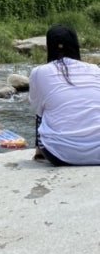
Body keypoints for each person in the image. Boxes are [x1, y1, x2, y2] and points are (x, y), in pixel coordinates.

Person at [29, 24, 100, 166]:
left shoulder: (39, 72)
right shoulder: (95, 70)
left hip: (58, 154)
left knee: (42, 110)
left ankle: (38, 151)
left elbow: (37, 108)